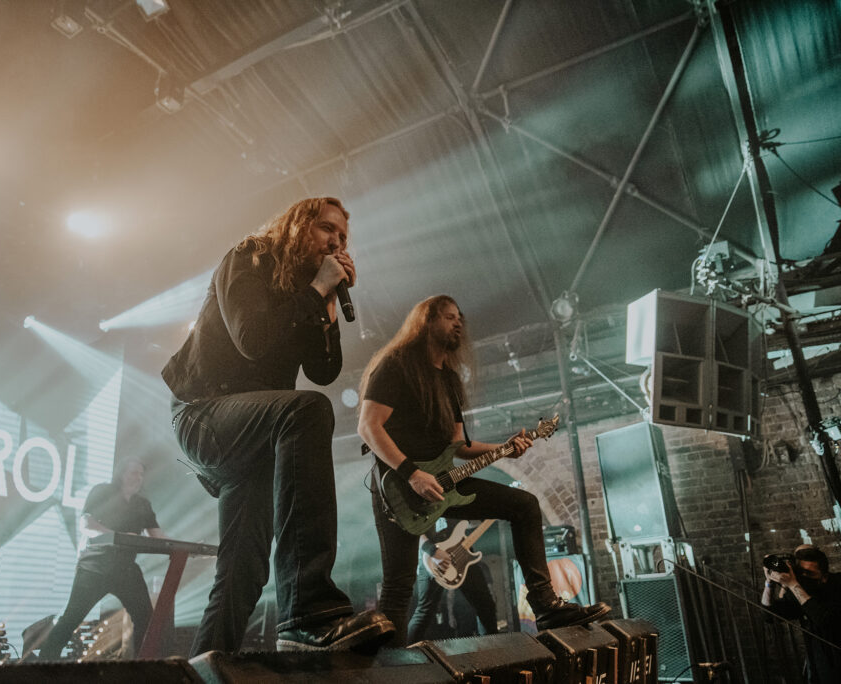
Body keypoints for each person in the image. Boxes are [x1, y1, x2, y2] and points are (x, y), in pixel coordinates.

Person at [163, 197, 393, 655]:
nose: (336, 242)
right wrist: (315, 289)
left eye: (343, 237)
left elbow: (325, 371)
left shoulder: (306, 291)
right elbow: (253, 340)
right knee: (307, 410)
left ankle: (205, 669)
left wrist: (326, 305)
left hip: (257, 433)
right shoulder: (249, 258)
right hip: (204, 413)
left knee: (242, 572)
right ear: (297, 226)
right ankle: (308, 609)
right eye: (327, 229)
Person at [358, 294, 610, 644]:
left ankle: (547, 607)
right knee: (399, 586)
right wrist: (412, 473)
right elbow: (369, 427)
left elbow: (459, 445)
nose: (458, 322)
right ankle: (391, 670)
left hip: (444, 484)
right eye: (448, 316)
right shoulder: (396, 365)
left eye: (460, 316)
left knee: (524, 505)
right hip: (398, 489)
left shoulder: (448, 379)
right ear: (426, 322)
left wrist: (506, 448)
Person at [38, 459, 165, 660]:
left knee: (146, 621)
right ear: (121, 473)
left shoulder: (143, 504)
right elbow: (86, 524)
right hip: (95, 567)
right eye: (133, 473)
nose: (138, 478)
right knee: (71, 619)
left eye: (141, 474)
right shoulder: (102, 492)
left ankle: (143, 668)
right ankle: (42, 666)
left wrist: (185, 547)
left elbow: (158, 537)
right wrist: (118, 536)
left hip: (126, 570)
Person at [761, 544, 841, 683]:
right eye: (801, 572)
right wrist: (769, 583)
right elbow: (769, 616)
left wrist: (793, 585)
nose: (804, 577)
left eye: (810, 573)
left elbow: (825, 620)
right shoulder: (801, 590)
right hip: (819, 663)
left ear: (824, 575)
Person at [406, 520, 498, 643]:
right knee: (425, 611)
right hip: (433, 556)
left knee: (486, 605)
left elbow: (467, 523)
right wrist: (432, 551)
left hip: (462, 551)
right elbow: (411, 525)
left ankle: (493, 651)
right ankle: (405, 656)